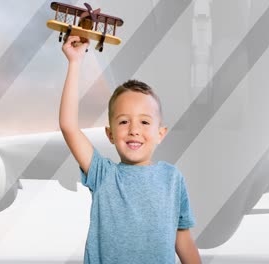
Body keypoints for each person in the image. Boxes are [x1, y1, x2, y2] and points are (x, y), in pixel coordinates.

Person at [59, 36, 201, 264]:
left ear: (160, 133)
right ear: (110, 134)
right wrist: (75, 63)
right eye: (124, 121)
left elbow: (182, 239)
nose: (134, 130)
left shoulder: (172, 179)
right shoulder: (103, 174)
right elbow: (68, 126)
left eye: (144, 122)